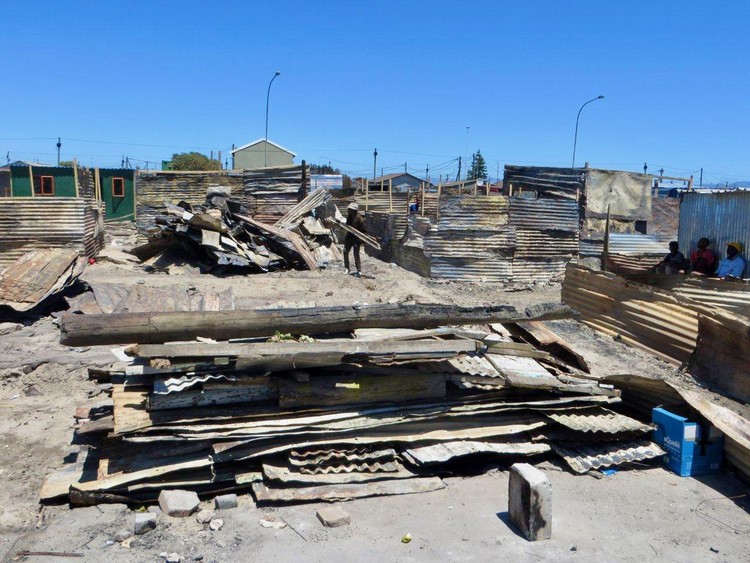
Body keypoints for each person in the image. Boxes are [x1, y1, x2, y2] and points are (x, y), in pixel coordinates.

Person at [343, 202, 366, 277]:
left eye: (350, 209)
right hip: (349, 236)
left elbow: (363, 230)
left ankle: (358, 270)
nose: (348, 210)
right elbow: (347, 226)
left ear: (354, 210)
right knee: (345, 251)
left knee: (356, 253)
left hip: (356, 238)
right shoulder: (349, 217)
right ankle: (347, 268)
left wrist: (361, 239)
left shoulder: (360, 219)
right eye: (348, 209)